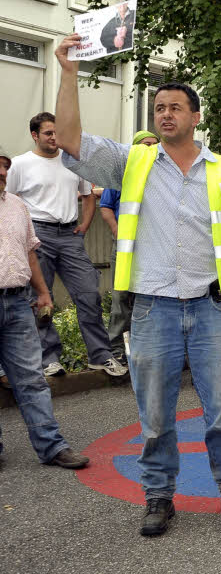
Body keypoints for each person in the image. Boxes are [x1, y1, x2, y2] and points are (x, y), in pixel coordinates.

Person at [54, 33, 221, 536]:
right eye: (158, 107)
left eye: (175, 107)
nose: (164, 114)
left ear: (196, 117)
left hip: (212, 307)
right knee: (156, 416)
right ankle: (159, 498)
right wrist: (68, 72)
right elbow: (72, 141)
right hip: (152, 309)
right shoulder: (133, 161)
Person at [7, 112, 127, 378]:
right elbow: (9, 201)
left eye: (57, 133)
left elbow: (88, 196)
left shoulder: (73, 161)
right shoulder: (20, 164)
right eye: (48, 133)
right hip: (38, 233)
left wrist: (83, 226)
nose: (54, 138)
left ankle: (101, 355)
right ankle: (48, 359)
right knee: (41, 299)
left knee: (89, 295)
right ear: (35, 135)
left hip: (70, 234)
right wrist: (20, 237)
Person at [0, 150, 89, 469]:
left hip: (18, 301)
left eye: (5, 169)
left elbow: (30, 253)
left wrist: (42, 292)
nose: (2, 173)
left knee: (32, 378)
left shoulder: (17, 206)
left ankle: (52, 447)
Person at [99, 130, 159, 364]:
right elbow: (105, 207)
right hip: (125, 247)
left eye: (154, 145)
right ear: (134, 148)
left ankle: (147, 352)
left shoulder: (161, 176)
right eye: (146, 144)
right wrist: (118, 232)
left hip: (153, 246)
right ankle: (117, 350)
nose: (150, 148)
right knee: (121, 298)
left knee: (149, 298)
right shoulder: (121, 174)